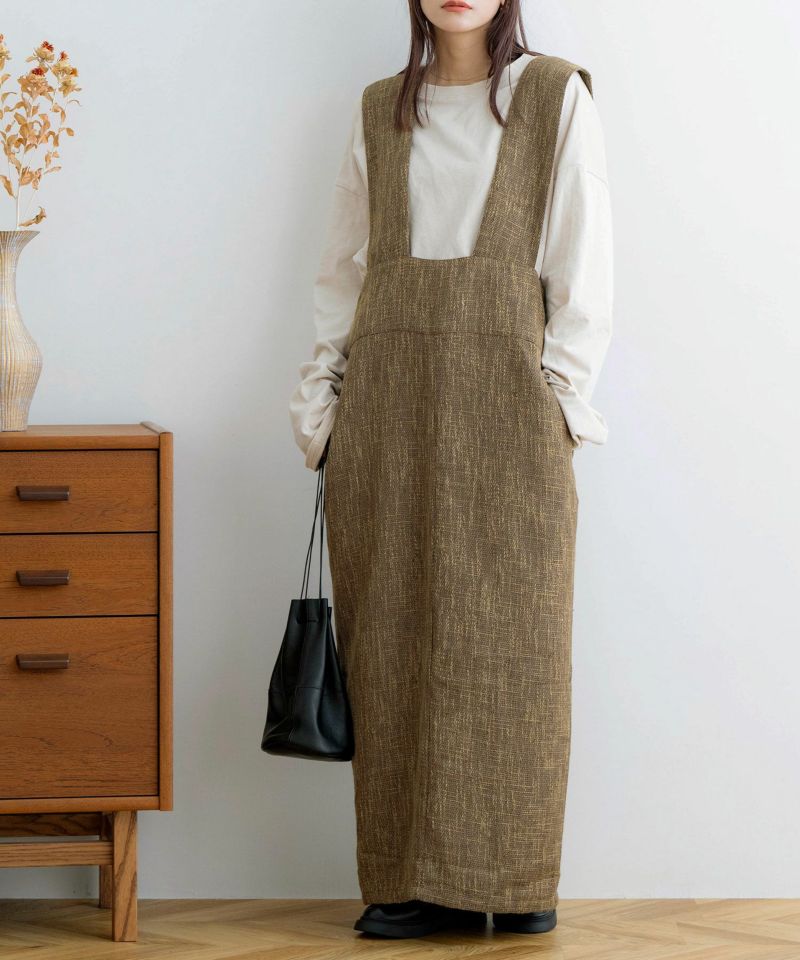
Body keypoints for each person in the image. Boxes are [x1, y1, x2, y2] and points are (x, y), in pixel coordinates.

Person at [289, 0, 613, 940]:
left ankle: (512, 877)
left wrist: (558, 402)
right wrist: (321, 409)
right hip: (384, 410)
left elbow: (584, 265)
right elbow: (342, 271)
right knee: (390, 639)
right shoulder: (379, 108)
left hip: (511, 405)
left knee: (513, 643)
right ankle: (405, 878)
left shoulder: (554, 96)